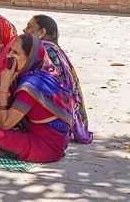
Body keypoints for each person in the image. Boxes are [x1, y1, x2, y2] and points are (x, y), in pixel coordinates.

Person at [0, 33, 75, 163]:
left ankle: (4, 151)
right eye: (10, 50)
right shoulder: (41, 71)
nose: (9, 55)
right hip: (39, 133)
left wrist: (4, 87)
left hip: (46, 147)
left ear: (29, 59)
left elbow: (5, 124)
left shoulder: (31, 85)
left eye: (15, 53)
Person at [24, 14, 93, 144]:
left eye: (29, 27)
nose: (25, 30)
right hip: (69, 111)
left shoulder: (43, 49)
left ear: (42, 32)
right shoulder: (54, 48)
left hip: (59, 113)